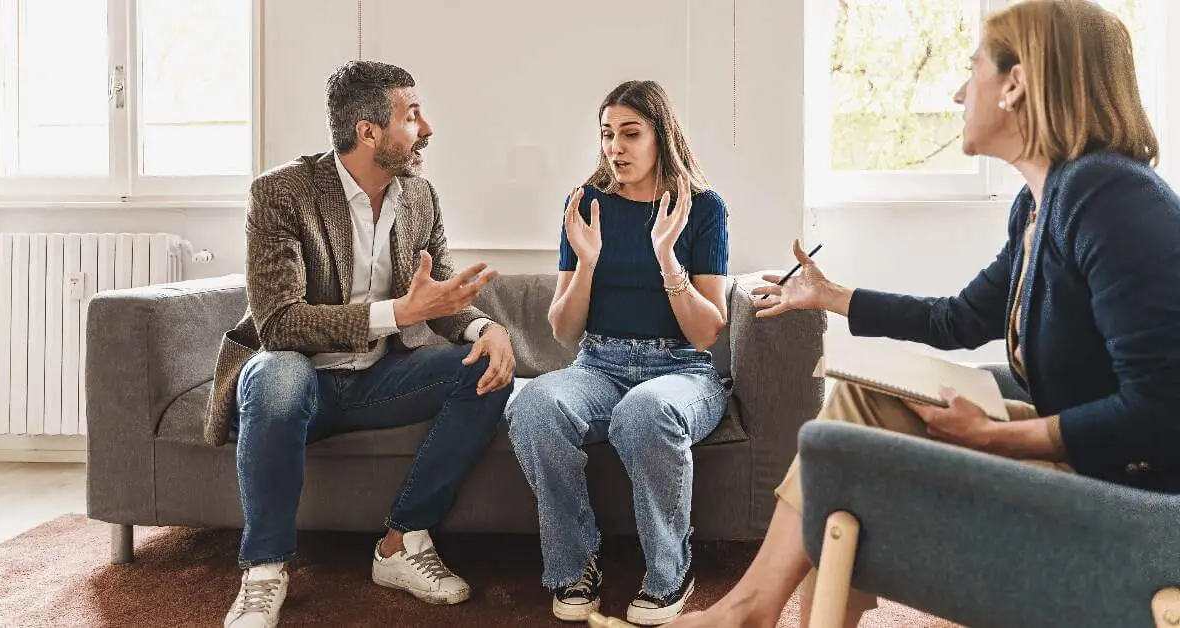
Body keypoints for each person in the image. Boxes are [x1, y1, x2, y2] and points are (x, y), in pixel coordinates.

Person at [672, 1, 1180, 626]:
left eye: (973, 70)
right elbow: (959, 319)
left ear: (1016, 83)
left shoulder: (1112, 198)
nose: (960, 89)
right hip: (1089, 463)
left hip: (1137, 502)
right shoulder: (1040, 206)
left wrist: (998, 437)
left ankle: (752, 609)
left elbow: (1162, 409)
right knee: (858, 402)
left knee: (839, 449)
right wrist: (830, 295)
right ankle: (755, 607)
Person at [208, 61, 518, 628]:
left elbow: (441, 298)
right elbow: (279, 323)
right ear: (368, 131)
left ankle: (401, 544)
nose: (426, 129)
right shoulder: (282, 193)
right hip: (295, 377)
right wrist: (397, 313)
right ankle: (263, 573)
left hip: (375, 380)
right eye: (412, 115)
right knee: (277, 375)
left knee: (483, 369)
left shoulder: (419, 197)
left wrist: (485, 329)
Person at [505, 80, 732, 625]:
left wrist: (666, 258)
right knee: (535, 405)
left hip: (681, 370)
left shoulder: (702, 208)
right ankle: (573, 565)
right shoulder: (585, 205)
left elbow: (707, 335)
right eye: (607, 134)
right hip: (598, 364)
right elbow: (563, 330)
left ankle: (670, 572)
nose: (616, 147)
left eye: (631, 133)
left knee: (645, 410)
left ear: (662, 136)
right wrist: (586, 262)